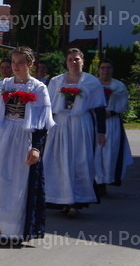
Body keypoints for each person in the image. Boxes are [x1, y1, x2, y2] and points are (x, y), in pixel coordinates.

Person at [0, 46, 54, 244]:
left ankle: (13, 231)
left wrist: (37, 147)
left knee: (16, 186)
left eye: (21, 62)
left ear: (30, 64)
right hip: (1, 138)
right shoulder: (3, 85)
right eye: (13, 62)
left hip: (23, 139)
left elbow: (42, 123)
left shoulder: (38, 88)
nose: (16, 66)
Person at [44, 48, 107, 216]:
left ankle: (77, 200)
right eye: (70, 59)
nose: (73, 62)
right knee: (60, 160)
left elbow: (100, 108)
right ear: (66, 62)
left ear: (83, 61)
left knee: (80, 160)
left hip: (81, 123)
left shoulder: (92, 82)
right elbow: (47, 106)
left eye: (76, 59)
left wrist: (101, 132)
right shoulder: (56, 81)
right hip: (60, 124)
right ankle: (62, 199)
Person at [94, 59, 133, 191]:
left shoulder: (119, 86)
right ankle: (96, 181)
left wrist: (111, 111)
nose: (105, 70)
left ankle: (107, 179)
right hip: (95, 122)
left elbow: (123, 105)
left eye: (108, 68)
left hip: (112, 122)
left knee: (110, 150)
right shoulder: (92, 84)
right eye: (103, 68)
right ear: (99, 70)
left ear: (112, 70)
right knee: (96, 150)